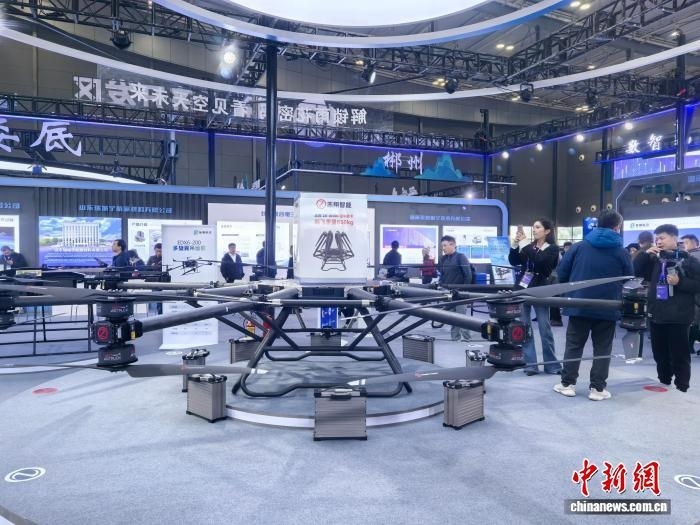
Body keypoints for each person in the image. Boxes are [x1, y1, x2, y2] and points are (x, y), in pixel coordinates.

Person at [553, 210, 634, 400]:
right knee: (603, 348)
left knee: (574, 345)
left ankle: (567, 384)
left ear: (598, 224)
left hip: (579, 303)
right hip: (608, 306)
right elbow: (629, 278)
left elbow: (562, 274)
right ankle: (597, 389)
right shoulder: (621, 252)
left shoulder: (578, 247)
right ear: (617, 227)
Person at [634, 224, 700, 392]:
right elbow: (635, 272)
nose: (658, 241)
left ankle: (682, 385)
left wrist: (680, 282)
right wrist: (644, 255)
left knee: (680, 354)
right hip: (657, 313)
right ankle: (664, 380)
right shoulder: (654, 259)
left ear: (674, 238)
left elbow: (697, 285)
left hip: (679, 315)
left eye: (662, 238)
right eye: (657, 239)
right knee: (659, 352)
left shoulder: (688, 260)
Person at [509, 218, 560, 375]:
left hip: (541, 289)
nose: (534, 229)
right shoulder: (529, 246)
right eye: (533, 227)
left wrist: (524, 244)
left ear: (547, 231)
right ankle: (530, 364)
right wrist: (515, 245)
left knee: (545, 328)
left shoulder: (552, 249)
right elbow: (514, 261)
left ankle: (552, 365)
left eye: (538, 227)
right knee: (524, 328)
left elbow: (540, 261)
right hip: (522, 287)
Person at [438, 235, 472, 341]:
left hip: (460, 293)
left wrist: (463, 291)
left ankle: (467, 339)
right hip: (448, 293)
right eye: (442, 246)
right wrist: (441, 287)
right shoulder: (443, 259)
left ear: (452, 245)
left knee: (462, 317)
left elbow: (468, 275)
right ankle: (455, 338)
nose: (443, 248)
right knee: (452, 317)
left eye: (445, 245)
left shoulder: (461, 257)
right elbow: (442, 275)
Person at [681, 234, 700, 354]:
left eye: (686, 243)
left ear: (695, 243)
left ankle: (689, 346)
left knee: (693, 321)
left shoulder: (690, 257)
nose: (684, 245)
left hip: (694, 295)